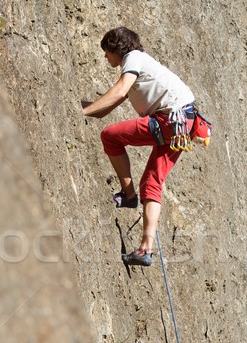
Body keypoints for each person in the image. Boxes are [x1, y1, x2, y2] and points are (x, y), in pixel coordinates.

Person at [82, 26, 196, 267]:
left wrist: (82, 111)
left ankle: (129, 195)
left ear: (116, 48)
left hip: (170, 119)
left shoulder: (132, 58)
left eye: (106, 52)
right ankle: (146, 249)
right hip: (184, 123)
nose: (105, 57)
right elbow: (112, 103)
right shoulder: (140, 65)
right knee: (153, 182)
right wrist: (90, 108)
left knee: (110, 136)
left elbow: (120, 90)